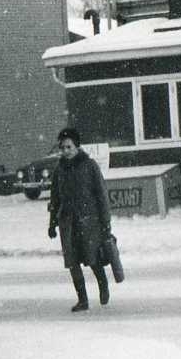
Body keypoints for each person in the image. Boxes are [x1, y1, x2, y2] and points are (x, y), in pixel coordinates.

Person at [46, 128, 113, 312]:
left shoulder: (89, 166)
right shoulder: (59, 170)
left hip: (89, 221)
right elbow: (55, 198)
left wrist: (105, 222)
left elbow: (101, 195)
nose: (65, 151)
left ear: (77, 147)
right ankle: (82, 299)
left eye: (69, 147)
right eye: (63, 147)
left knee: (92, 258)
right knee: (72, 262)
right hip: (67, 222)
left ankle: (102, 284)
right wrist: (52, 222)